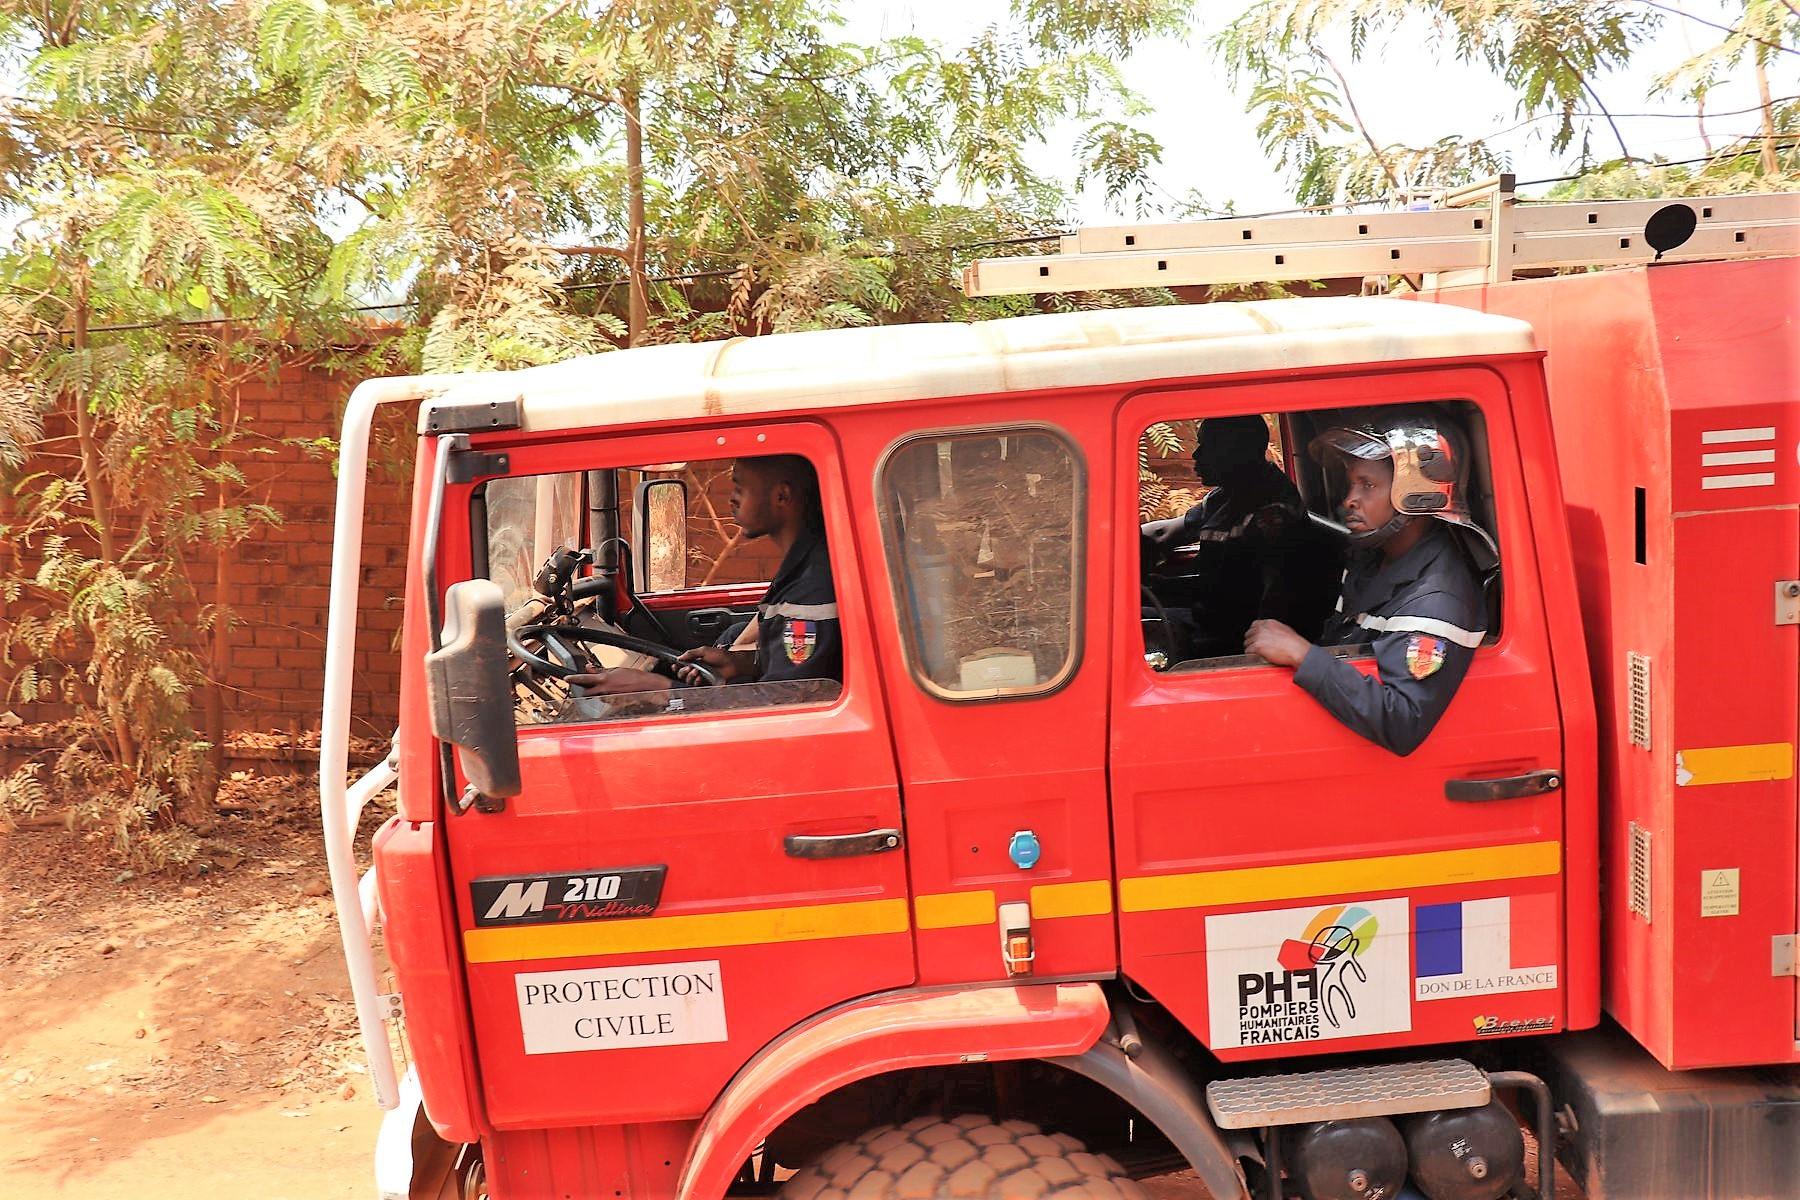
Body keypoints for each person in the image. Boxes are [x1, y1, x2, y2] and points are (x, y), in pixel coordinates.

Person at [1243, 415, 1492, 756]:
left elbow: (1402, 719)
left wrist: (1302, 655)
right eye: (1350, 486)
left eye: (1367, 486)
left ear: (1415, 495)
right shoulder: (1374, 560)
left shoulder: (1436, 596)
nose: (1349, 500)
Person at [571, 455, 842, 697]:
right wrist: (739, 662)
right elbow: (794, 667)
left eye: (740, 487)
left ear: (781, 496)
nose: (731, 499)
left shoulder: (811, 589)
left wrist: (658, 689)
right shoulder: (803, 567)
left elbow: (784, 704)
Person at [1141, 414, 1333, 659]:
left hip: (1231, 638)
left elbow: (1271, 602)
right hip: (1210, 616)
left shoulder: (1273, 512)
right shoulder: (1226, 496)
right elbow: (1165, 532)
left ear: (1239, 450)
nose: (1197, 455)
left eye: (1208, 445)